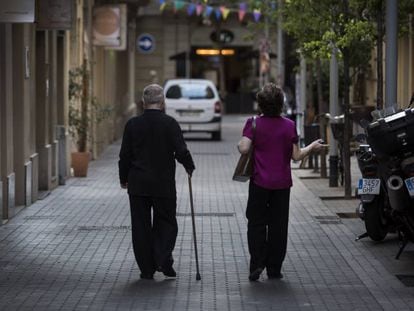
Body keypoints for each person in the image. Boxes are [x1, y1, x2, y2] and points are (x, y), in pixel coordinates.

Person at [238, 83, 325, 281]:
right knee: (278, 226)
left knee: (256, 223)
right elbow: (296, 156)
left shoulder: (253, 123)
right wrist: (312, 147)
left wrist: (242, 142)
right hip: (282, 185)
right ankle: (274, 269)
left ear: (260, 104)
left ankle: (257, 263)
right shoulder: (288, 125)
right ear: (280, 104)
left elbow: (244, 148)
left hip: (259, 183)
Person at [119, 84, 195, 280]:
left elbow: (124, 156)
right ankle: (162, 258)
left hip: (138, 183)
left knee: (141, 226)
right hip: (163, 183)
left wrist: (123, 178)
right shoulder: (170, 123)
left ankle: (147, 268)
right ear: (162, 102)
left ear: (143, 102)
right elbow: (181, 151)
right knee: (167, 222)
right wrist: (189, 165)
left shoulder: (132, 124)